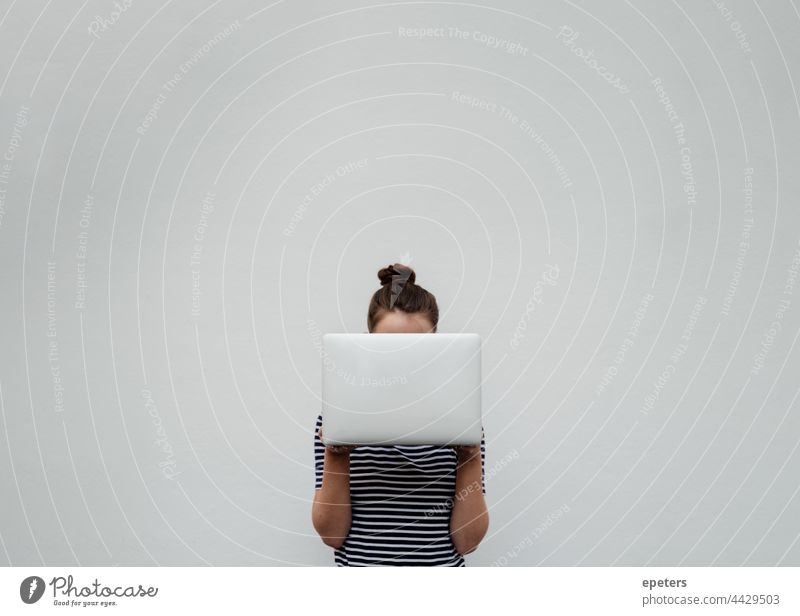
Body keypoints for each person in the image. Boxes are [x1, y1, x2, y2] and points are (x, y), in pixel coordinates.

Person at [311, 263, 489, 566]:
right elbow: (332, 535)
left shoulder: (459, 417)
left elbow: (467, 541)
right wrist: (336, 454)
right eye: (388, 346)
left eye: (416, 346)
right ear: (368, 342)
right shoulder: (341, 417)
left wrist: (469, 456)